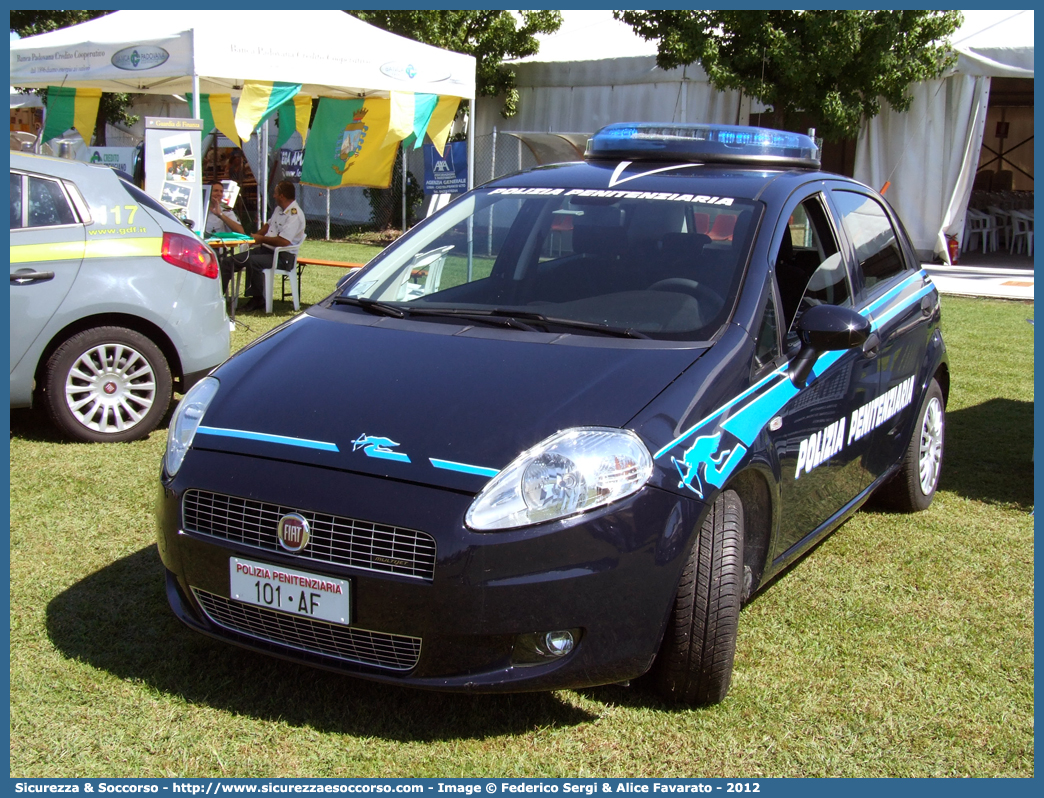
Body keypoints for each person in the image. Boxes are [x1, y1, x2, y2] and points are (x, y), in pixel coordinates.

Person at [240, 180, 306, 312]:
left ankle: (257, 298)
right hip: (268, 251)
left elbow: (283, 242)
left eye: (275, 194)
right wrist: (255, 238)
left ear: (282, 196)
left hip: (283, 257)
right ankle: (219, 295)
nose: (274, 196)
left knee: (251, 261)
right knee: (236, 259)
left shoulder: (295, 215)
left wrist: (261, 239)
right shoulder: (279, 209)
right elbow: (268, 225)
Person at [205, 182, 248, 297]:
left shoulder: (226, 210)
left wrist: (220, 215)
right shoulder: (199, 207)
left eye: (221, 191)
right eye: (215, 191)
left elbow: (240, 231)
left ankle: (214, 296)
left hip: (217, 250)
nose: (219, 194)